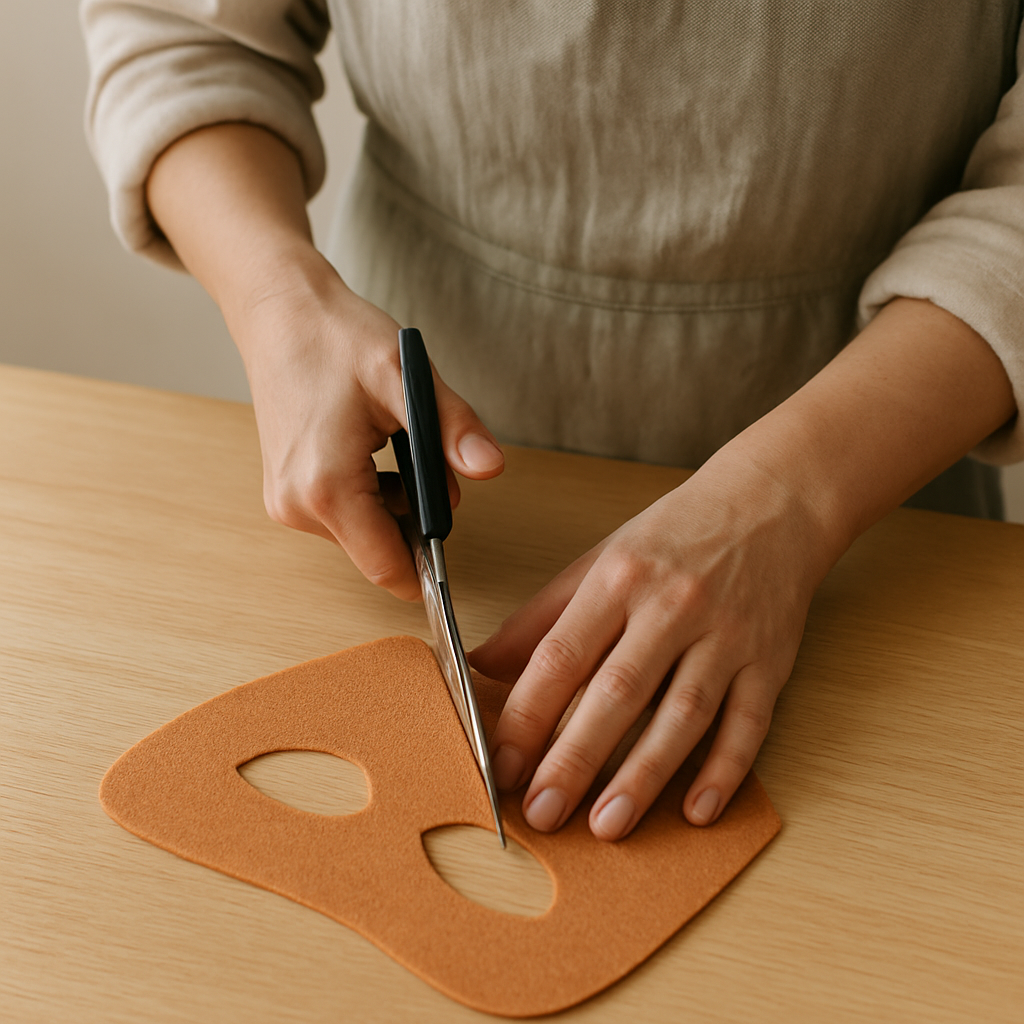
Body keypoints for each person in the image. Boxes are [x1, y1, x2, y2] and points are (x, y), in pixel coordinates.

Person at [81, 2, 1021, 842]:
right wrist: (278, 299)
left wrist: (797, 499)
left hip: (885, 478)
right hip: (428, 464)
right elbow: (181, 33)